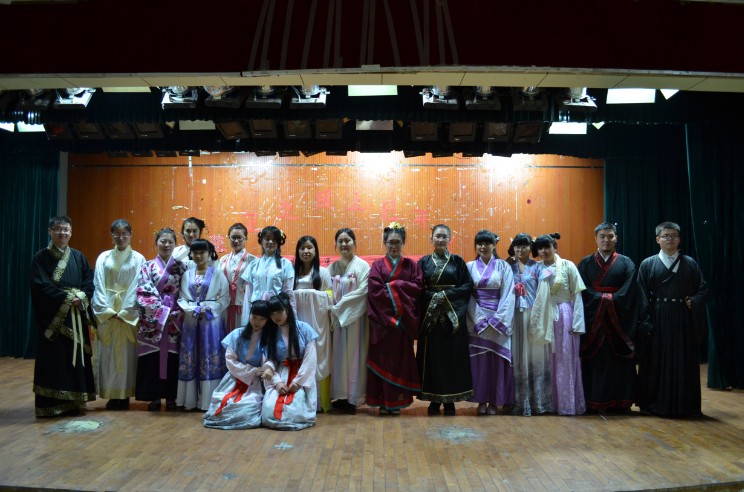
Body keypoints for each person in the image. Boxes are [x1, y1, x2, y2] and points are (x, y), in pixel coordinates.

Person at [636, 222, 708, 418]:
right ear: (657, 239)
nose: (670, 239)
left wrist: (694, 301)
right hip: (657, 318)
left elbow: (703, 290)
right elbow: (641, 295)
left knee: (682, 361)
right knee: (656, 361)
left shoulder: (690, 263)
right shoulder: (648, 264)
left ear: (679, 239)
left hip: (682, 319)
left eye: (674, 235)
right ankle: (653, 404)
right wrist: (645, 322)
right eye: (666, 235)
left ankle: (684, 406)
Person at [31, 216, 97, 417]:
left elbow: (88, 281)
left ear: (71, 232)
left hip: (76, 314)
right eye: (58, 229)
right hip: (54, 319)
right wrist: (68, 298)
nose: (62, 233)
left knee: (74, 359)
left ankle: (74, 402)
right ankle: (51, 405)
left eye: (66, 229)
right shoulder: (40, 258)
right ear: (50, 231)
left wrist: (82, 296)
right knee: (55, 359)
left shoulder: (78, 257)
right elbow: (41, 286)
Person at [577, 222, 638, 414]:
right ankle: (591, 401)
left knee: (618, 361)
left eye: (610, 236)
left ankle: (621, 402)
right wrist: (605, 300)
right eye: (602, 236)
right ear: (595, 238)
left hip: (619, 318)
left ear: (616, 238)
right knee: (595, 361)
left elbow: (630, 290)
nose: (606, 240)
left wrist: (607, 300)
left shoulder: (627, 263)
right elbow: (582, 290)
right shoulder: (585, 263)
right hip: (593, 319)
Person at [366, 223, 424, 415]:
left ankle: (397, 402)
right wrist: (399, 288)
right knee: (382, 361)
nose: (394, 246)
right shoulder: (377, 266)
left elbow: (417, 287)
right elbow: (374, 291)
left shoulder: (411, 266)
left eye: (398, 242)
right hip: (383, 324)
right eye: (390, 242)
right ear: (385, 243)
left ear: (403, 243)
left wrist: (394, 285)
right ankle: (383, 402)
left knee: (400, 363)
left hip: (403, 324)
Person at [417, 224, 473, 416]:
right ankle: (433, 400)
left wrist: (446, 296)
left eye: (444, 237)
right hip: (431, 318)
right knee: (433, 359)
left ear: (450, 239)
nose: (440, 240)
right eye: (437, 236)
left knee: (452, 358)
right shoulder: (424, 262)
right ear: (431, 239)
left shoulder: (458, 262)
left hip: (452, 318)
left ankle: (450, 401)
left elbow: (467, 286)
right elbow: (417, 288)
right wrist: (434, 297)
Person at [529, 233, 587, 416]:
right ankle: (545, 403)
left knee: (564, 358)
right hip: (542, 315)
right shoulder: (536, 268)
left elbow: (576, 294)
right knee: (544, 360)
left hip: (564, 314)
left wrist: (578, 323)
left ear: (555, 247)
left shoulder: (568, 266)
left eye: (547, 247)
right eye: (540, 248)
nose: (544, 251)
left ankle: (566, 404)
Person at [91, 219, 146, 410]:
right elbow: (98, 283)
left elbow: (138, 286)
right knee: (107, 356)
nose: (121, 237)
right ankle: (110, 394)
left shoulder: (138, 258)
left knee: (126, 355)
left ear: (131, 235)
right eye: (117, 233)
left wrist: (125, 311)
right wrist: (106, 310)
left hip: (126, 314)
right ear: (112, 235)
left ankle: (124, 395)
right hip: (108, 312)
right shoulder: (103, 257)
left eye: (125, 234)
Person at [177, 239, 230, 411]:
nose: (199, 256)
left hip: (211, 322)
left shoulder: (218, 274)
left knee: (210, 356)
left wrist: (208, 309)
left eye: (202, 252)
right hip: (191, 321)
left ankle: (208, 400)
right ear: (191, 254)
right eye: (195, 252)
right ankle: (190, 400)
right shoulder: (187, 275)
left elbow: (225, 298)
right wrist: (192, 310)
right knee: (190, 355)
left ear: (209, 253)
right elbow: (182, 298)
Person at [466, 230, 515, 415]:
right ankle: (481, 400)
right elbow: (467, 295)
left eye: (487, 243)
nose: (483, 247)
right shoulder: (469, 266)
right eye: (480, 243)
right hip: (477, 319)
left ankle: (495, 400)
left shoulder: (503, 266)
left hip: (498, 319)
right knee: (479, 362)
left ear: (494, 245)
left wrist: (498, 319)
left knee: (497, 361)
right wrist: (479, 318)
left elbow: (509, 293)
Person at [136, 227, 185, 412]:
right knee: (152, 359)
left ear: (175, 244)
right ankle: (154, 396)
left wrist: (176, 311)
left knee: (173, 359)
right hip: (153, 321)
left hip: (175, 320)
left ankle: (172, 397)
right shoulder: (147, 267)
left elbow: (186, 291)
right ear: (156, 243)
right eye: (163, 241)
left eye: (170, 242)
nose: (166, 245)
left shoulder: (182, 267)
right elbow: (144, 291)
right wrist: (162, 312)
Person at [203, 301, 273, 430]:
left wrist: (263, 370)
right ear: (249, 315)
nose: (257, 322)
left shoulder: (268, 338)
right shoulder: (237, 334)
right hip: (234, 378)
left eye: (262, 319)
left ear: (267, 320)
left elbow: (270, 359)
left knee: (248, 408)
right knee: (223, 402)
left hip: (255, 382)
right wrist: (252, 371)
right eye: (254, 317)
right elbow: (230, 359)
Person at [507, 233, 552, 416]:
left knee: (534, 357)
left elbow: (545, 290)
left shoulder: (538, 267)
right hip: (512, 315)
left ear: (530, 247)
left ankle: (536, 402)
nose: (520, 249)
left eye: (524, 246)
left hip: (533, 314)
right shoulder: (507, 266)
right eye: (517, 246)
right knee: (515, 356)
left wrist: (539, 315)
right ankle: (514, 401)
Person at [328, 228, 371, 414]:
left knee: (354, 357)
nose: (344, 244)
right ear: (336, 245)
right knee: (338, 358)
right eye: (340, 241)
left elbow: (364, 292)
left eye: (348, 240)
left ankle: (353, 398)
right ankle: (341, 396)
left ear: (354, 243)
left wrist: (341, 306)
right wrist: (333, 309)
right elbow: (326, 291)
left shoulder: (363, 266)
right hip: (336, 320)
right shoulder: (332, 268)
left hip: (355, 319)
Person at [260, 294, 318, 430]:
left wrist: (298, 382)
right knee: (269, 410)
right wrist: (277, 383)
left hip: (301, 373)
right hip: (280, 373)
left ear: (287, 309)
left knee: (296, 408)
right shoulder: (271, 333)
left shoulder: (304, 329)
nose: (276, 317)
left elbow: (310, 359)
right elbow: (269, 359)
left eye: (279, 311)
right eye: (272, 313)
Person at [293, 235, 333, 412]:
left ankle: (319, 402)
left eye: (309, 247)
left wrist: (309, 295)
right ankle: (299, 400)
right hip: (298, 321)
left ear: (316, 251)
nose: (306, 251)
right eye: (302, 248)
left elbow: (330, 297)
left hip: (318, 323)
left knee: (318, 356)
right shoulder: (293, 273)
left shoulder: (323, 273)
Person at [240, 226, 296, 325]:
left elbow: (288, 293)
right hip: (257, 311)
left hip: (277, 311)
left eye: (274, 239)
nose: (270, 242)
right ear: (261, 241)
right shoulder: (253, 264)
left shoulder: (285, 264)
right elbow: (248, 293)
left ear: (279, 242)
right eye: (267, 239)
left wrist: (292, 316)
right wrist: (247, 316)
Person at [219, 223, 256, 334]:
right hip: (225, 303)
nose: (236, 241)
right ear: (229, 238)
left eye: (239, 237)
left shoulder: (253, 260)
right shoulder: (223, 259)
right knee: (225, 332)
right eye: (233, 237)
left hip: (243, 303)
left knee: (241, 332)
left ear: (246, 238)